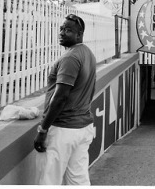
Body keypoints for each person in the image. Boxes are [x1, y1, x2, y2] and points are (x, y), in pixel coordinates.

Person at [34, 14, 97, 185]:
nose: (62, 33)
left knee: (49, 180)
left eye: (68, 30)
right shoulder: (88, 53)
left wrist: (43, 130)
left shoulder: (70, 58)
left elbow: (60, 97)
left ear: (79, 34)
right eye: (62, 29)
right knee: (78, 180)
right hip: (82, 127)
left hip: (63, 130)